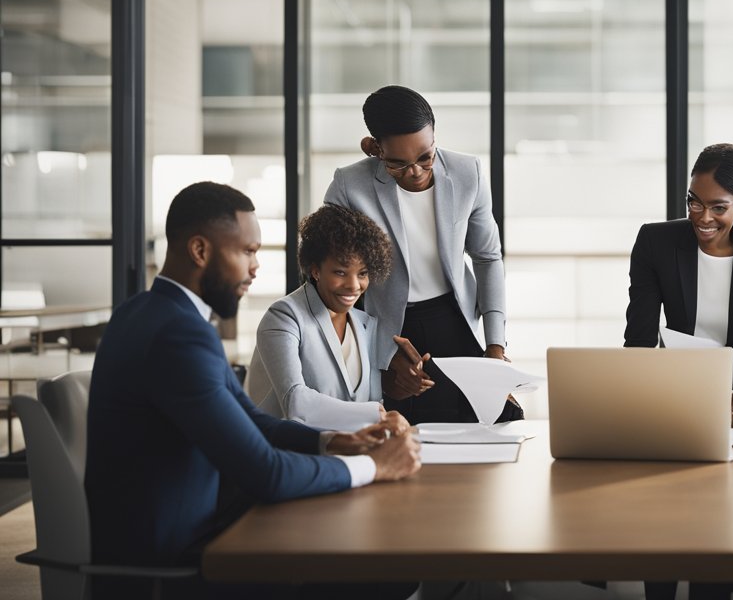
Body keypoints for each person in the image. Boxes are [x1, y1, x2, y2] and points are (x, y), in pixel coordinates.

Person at [86, 182, 421, 599]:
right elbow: (267, 473)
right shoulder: (178, 335)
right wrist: (376, 467)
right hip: (179, 565)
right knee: (386, 576)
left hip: (201, 528)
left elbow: (252, 420)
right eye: (247, 251)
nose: (256, 267)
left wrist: (335, 440)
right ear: (200, 250)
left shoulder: (147, 314)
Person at [624, 143, 733, 600]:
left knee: (715, 528)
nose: (702, 216)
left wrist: (726, 381)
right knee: (664, 529)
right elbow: (639, 332)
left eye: (718, 207)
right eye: (694, 200)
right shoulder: (655, 240)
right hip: (665, 395)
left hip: (726, 399)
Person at [325, 85, 514, 424]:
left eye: (425, 157)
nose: (415, 171)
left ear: (434, 137)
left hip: (456, 319)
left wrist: (496, 346)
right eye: (398, 163)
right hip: (389, 326)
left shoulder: (467, 172)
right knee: (404, 434)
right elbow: (330, 278)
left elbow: (487, 258)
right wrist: (381, 354)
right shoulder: (348, 185)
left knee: (489, 424)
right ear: (374, 149)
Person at [247, 204, 396, 431]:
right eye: (340, 272)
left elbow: (373, 401)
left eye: (363, 273)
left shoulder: (365, 324)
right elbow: (295, 402)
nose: (354, 286)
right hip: (291, 458)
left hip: (350, 457)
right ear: (315, 270)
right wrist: (375, 413)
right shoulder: (283, 317)